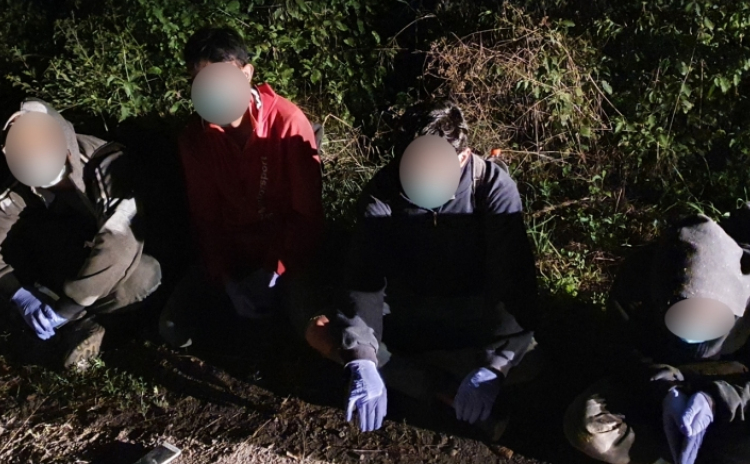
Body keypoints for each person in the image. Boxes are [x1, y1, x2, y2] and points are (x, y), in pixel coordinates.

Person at [304, 99, 543, 437]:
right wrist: (361, 358)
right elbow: (364, 278)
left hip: (471, 312)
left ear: (463, 157)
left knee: (528, 359)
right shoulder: (383, 191)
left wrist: (496, 364)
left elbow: (512, 281)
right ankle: (440, 387)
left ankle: (417, 378)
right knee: (321, 330)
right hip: (407, 309)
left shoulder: (492, 189)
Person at [159, 26, 324, 349]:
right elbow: (206, 219)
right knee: (173, 327)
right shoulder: (195, 140)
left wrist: (274, 270)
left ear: (246, 73)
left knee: (310, 320)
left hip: (287, 253)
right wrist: (227, 280)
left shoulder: (287, 122)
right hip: (234, 257)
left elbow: (307, 214)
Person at [564, 212, 750, 464]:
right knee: (587, 425)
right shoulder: (638, 281)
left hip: (732, 393)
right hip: (659, 384)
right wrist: (665, 390)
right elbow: (621, 352)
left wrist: (716, 400)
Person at [0, 98, 162, 370]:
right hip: (70, 252)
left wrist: (68, 307)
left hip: (123, 252)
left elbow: (120, 241)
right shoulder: (20, 183)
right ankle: (77, 323)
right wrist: (16, 291)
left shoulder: (106, 162)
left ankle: (91, 325)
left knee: (143, 277)